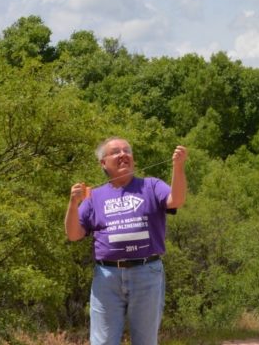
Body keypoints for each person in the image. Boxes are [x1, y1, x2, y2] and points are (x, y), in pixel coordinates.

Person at [65, 137, 187, 345]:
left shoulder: (151, 185)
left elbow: (176, 200)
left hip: (147, 272)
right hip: (106, 277)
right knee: (103, 342)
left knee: (145, 341)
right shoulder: (94, 196)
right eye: (115, 152)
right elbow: (73, 234)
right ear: (103, 163)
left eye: (126, 151)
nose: (123, 154)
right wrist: (73, 203)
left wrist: (178, 166)